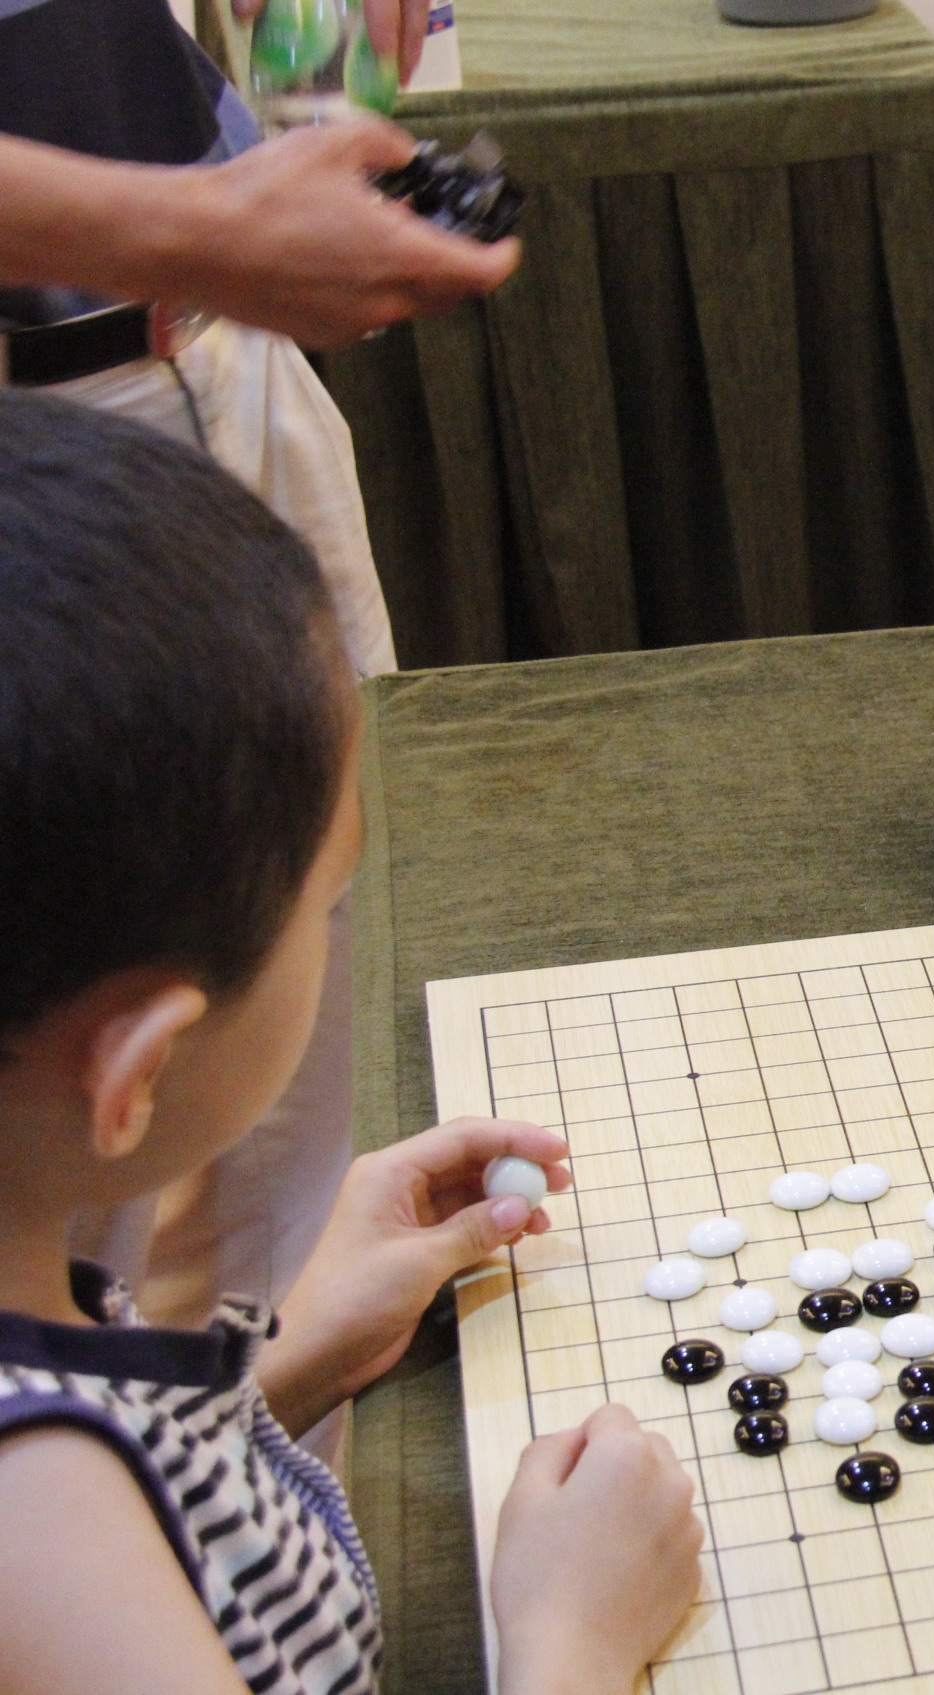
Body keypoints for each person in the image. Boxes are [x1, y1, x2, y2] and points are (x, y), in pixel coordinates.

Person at [0, 393, 703, 1695]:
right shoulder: (39, 1536)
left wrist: (300, 1343)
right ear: (138, 1066)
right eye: (329, 902)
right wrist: (569, 1640)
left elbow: (147, 1462)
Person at [0, 0, 516, 1343]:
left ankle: (267, 1412)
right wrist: (183, 230)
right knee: (72, 1082)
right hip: (47, 442)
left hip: (218, 348)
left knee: (304, 951)